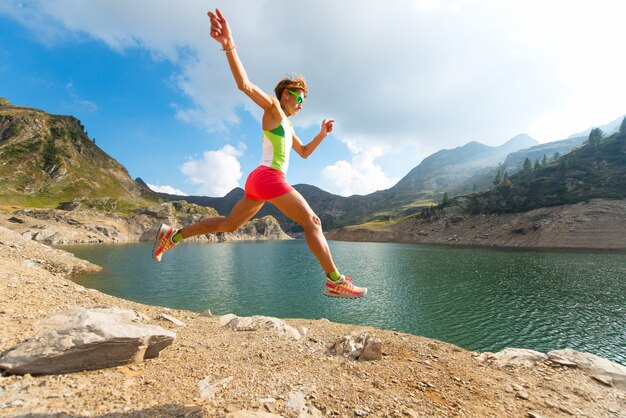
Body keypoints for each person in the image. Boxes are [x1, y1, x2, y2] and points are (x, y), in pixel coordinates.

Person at [152, 8, 367, 299]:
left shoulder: (287, 125)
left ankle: (172, 235)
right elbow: (244, 85)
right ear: (287, 95)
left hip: (259, 182)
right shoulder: (274, 109)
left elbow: (303, 152)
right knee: (313, 221)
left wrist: (322, 134)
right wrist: (229, 44)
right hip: (268, 177)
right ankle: (335, 280)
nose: (301, 104)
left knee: (228, 225)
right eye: (300, 98)